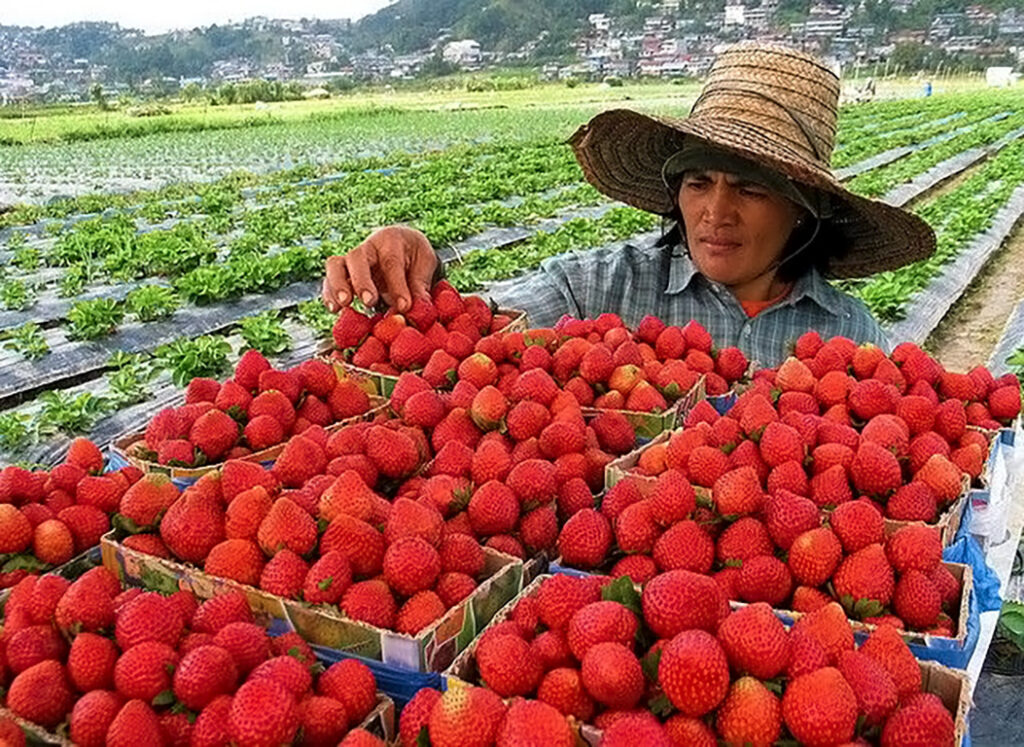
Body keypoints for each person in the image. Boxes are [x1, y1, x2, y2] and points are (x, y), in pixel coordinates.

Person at [322, 42, 936, 367]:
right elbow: (478, 329)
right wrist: (417, 270)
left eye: (750, 189)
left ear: (804, 209)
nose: (715, 211)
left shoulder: (852, 339)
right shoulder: (597, 287)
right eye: (698, 183)